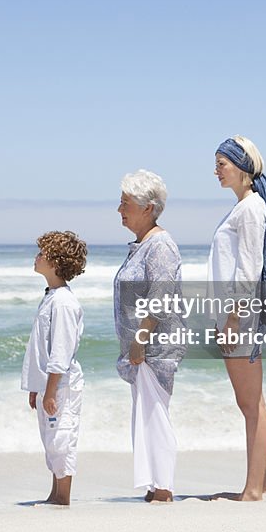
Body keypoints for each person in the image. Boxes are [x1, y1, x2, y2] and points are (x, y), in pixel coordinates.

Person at [208, 135, 266, 502]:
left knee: (250, 403)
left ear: (241, 167)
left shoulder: (251, 208)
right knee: (254, 401)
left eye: (222, 164)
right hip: (238, 315)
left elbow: (249, 268)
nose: (216, 170)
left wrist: (234, 318)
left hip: (241, 316)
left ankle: (253, 489)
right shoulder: (243, 207)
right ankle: (264, 483)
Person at [114, 170, 185, 503]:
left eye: (126, 203)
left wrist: (141, 339)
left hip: (155, 347)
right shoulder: (141, 245)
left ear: (148, 207)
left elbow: (162, 295)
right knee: (146, 413)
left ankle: (164, 487)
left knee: (155, 415)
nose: (119, 209)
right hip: (143, 348)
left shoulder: (160, 245)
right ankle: (155, 485)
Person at [21, 230, 88, 506]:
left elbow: (60, 352)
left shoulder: (63, 303)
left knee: (61, 439)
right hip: (49, 385)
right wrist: (38, 387)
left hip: (61, 386)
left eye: (42, 254)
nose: (36, 257)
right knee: (50, 440)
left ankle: (63, 496)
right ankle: (54, 493)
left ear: (55, 261)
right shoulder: (51, 296)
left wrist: (50, 391)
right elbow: (42, 348)